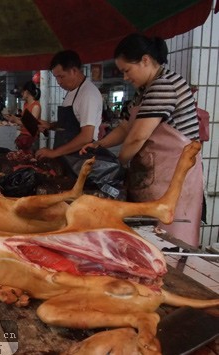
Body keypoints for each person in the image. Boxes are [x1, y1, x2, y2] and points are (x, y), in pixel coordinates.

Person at [80, 33, 203, 247]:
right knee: (149, 241)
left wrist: (118, 164)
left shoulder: (164, 85)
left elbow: (138, 136)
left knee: (169, 243)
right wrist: (99, 145)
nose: (126, 77)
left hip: (173, 178)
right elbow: (126, 127)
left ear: (145, 60)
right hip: (153, 176)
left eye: (127, 70)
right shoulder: (144, 91)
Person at [35, 50, 102, 160]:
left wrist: (54, 153)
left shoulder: (88, 94)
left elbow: (86, 136)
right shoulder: (72, 91)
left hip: (80, 158)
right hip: (67, 156)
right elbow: (70, 124)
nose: (59, 82)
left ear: (74, 71)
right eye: (56, 77)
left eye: (61, 76)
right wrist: (50, 125)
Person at [5, 80, 42, 152]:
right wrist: (13, 118)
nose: (21, 94)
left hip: (31, 139)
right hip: (23, 137)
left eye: (23, 92)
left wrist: (15, 120)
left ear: (27, 92)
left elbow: (31, 124)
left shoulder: (36, 106)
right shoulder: (25, 104)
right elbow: (24, 120)